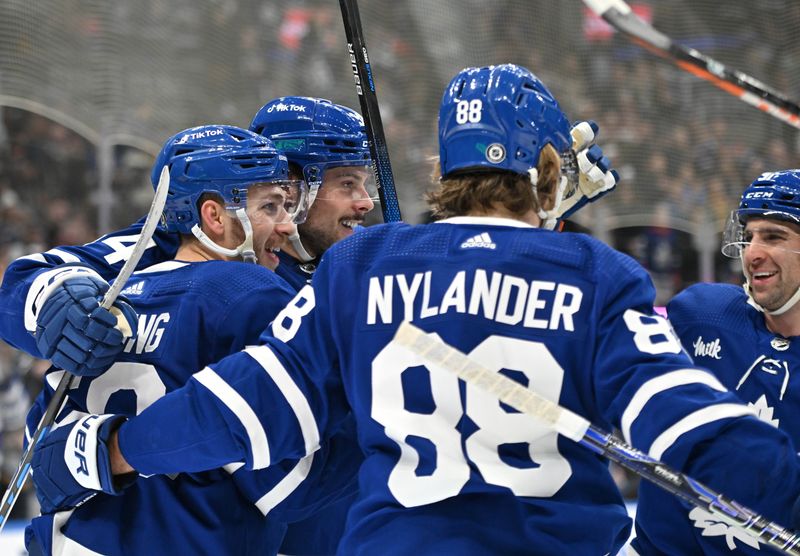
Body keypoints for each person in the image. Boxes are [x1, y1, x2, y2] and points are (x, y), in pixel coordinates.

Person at [27, 63, 800, 555]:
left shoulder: (362, 267)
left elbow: (241, 407)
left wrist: (110, 452)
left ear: (445, 167)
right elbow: (687, 421)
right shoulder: (598, 272)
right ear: (550, 167)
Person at [17, 124, 336, 555]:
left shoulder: (108, 301)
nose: (285, 227)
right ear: (215, 216)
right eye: (271, 207)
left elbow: (46, 451)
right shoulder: (250, 294)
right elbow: (292, 487)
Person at [632, 169, 800, 555]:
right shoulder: (702, 314)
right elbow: (593, 330)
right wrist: (542, 212)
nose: (752, 251)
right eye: (749, 235)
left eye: (773, 236)